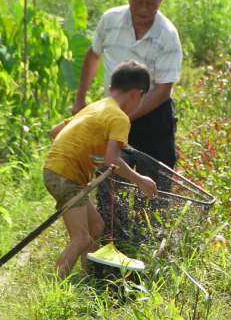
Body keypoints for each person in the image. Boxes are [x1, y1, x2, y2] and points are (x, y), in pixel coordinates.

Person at [44, 60, 158, 278]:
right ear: (137, 94)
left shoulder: (97, 106)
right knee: (82, 238)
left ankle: (89, 279)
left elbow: (55, 131)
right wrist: (139, 179)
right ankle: (51, 292)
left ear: (113, 87)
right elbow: (111, 160)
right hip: (65, 176)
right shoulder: (120, 118)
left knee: (96, 227)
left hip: (58, 171)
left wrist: (85, 152)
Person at [72, 0, 182, 169]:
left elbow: (163, 90)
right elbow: (94, 55)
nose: (143, 9)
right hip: (113, 108)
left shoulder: (168, 35)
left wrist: (123, 117)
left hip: (153, 113)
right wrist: (80, 98)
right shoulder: (110, 20)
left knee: (155, 178)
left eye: (151, 3)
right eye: (138, 1)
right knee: (109, 178)